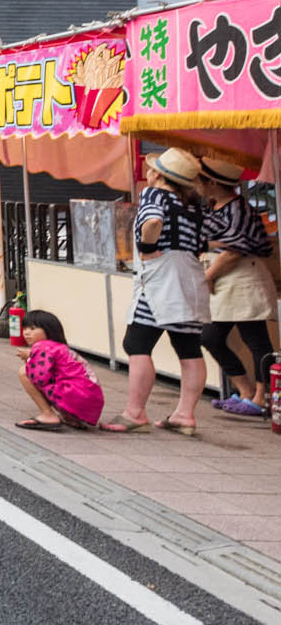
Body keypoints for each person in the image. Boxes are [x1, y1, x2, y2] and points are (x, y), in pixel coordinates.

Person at [105, 148, 212, 434]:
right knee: (188, 348)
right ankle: (184, 415)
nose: (148, 173)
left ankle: (135, 412)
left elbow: (152, 222)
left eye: (152, 169)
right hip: (190, 276)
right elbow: (205, 242)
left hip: (161, 277)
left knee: (136, 344)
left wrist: (148, 247)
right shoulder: (194, 204)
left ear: (159, 175)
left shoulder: (155, 195)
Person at [197, 158, 277, 418]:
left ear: (212, 182)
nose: (197, 184)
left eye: (201, 179)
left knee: (255, 338)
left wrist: (209, 275)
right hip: (224, 278)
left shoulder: (239, 208)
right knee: (210, 336)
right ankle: (245, 390)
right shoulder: (215, 206)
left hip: (242, 277)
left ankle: (260, 397)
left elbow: (234, 250)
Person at [14, 310, 105, 431]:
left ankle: (48, 415)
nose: (27, 333)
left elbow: (39, 377)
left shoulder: (43, 346)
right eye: (25, 328)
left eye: (32, 328)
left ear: (48, 330)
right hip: (91, 400)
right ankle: (72, 419)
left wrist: (29, 359)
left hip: (75, 395)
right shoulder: (60, 347)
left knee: (24, 372)